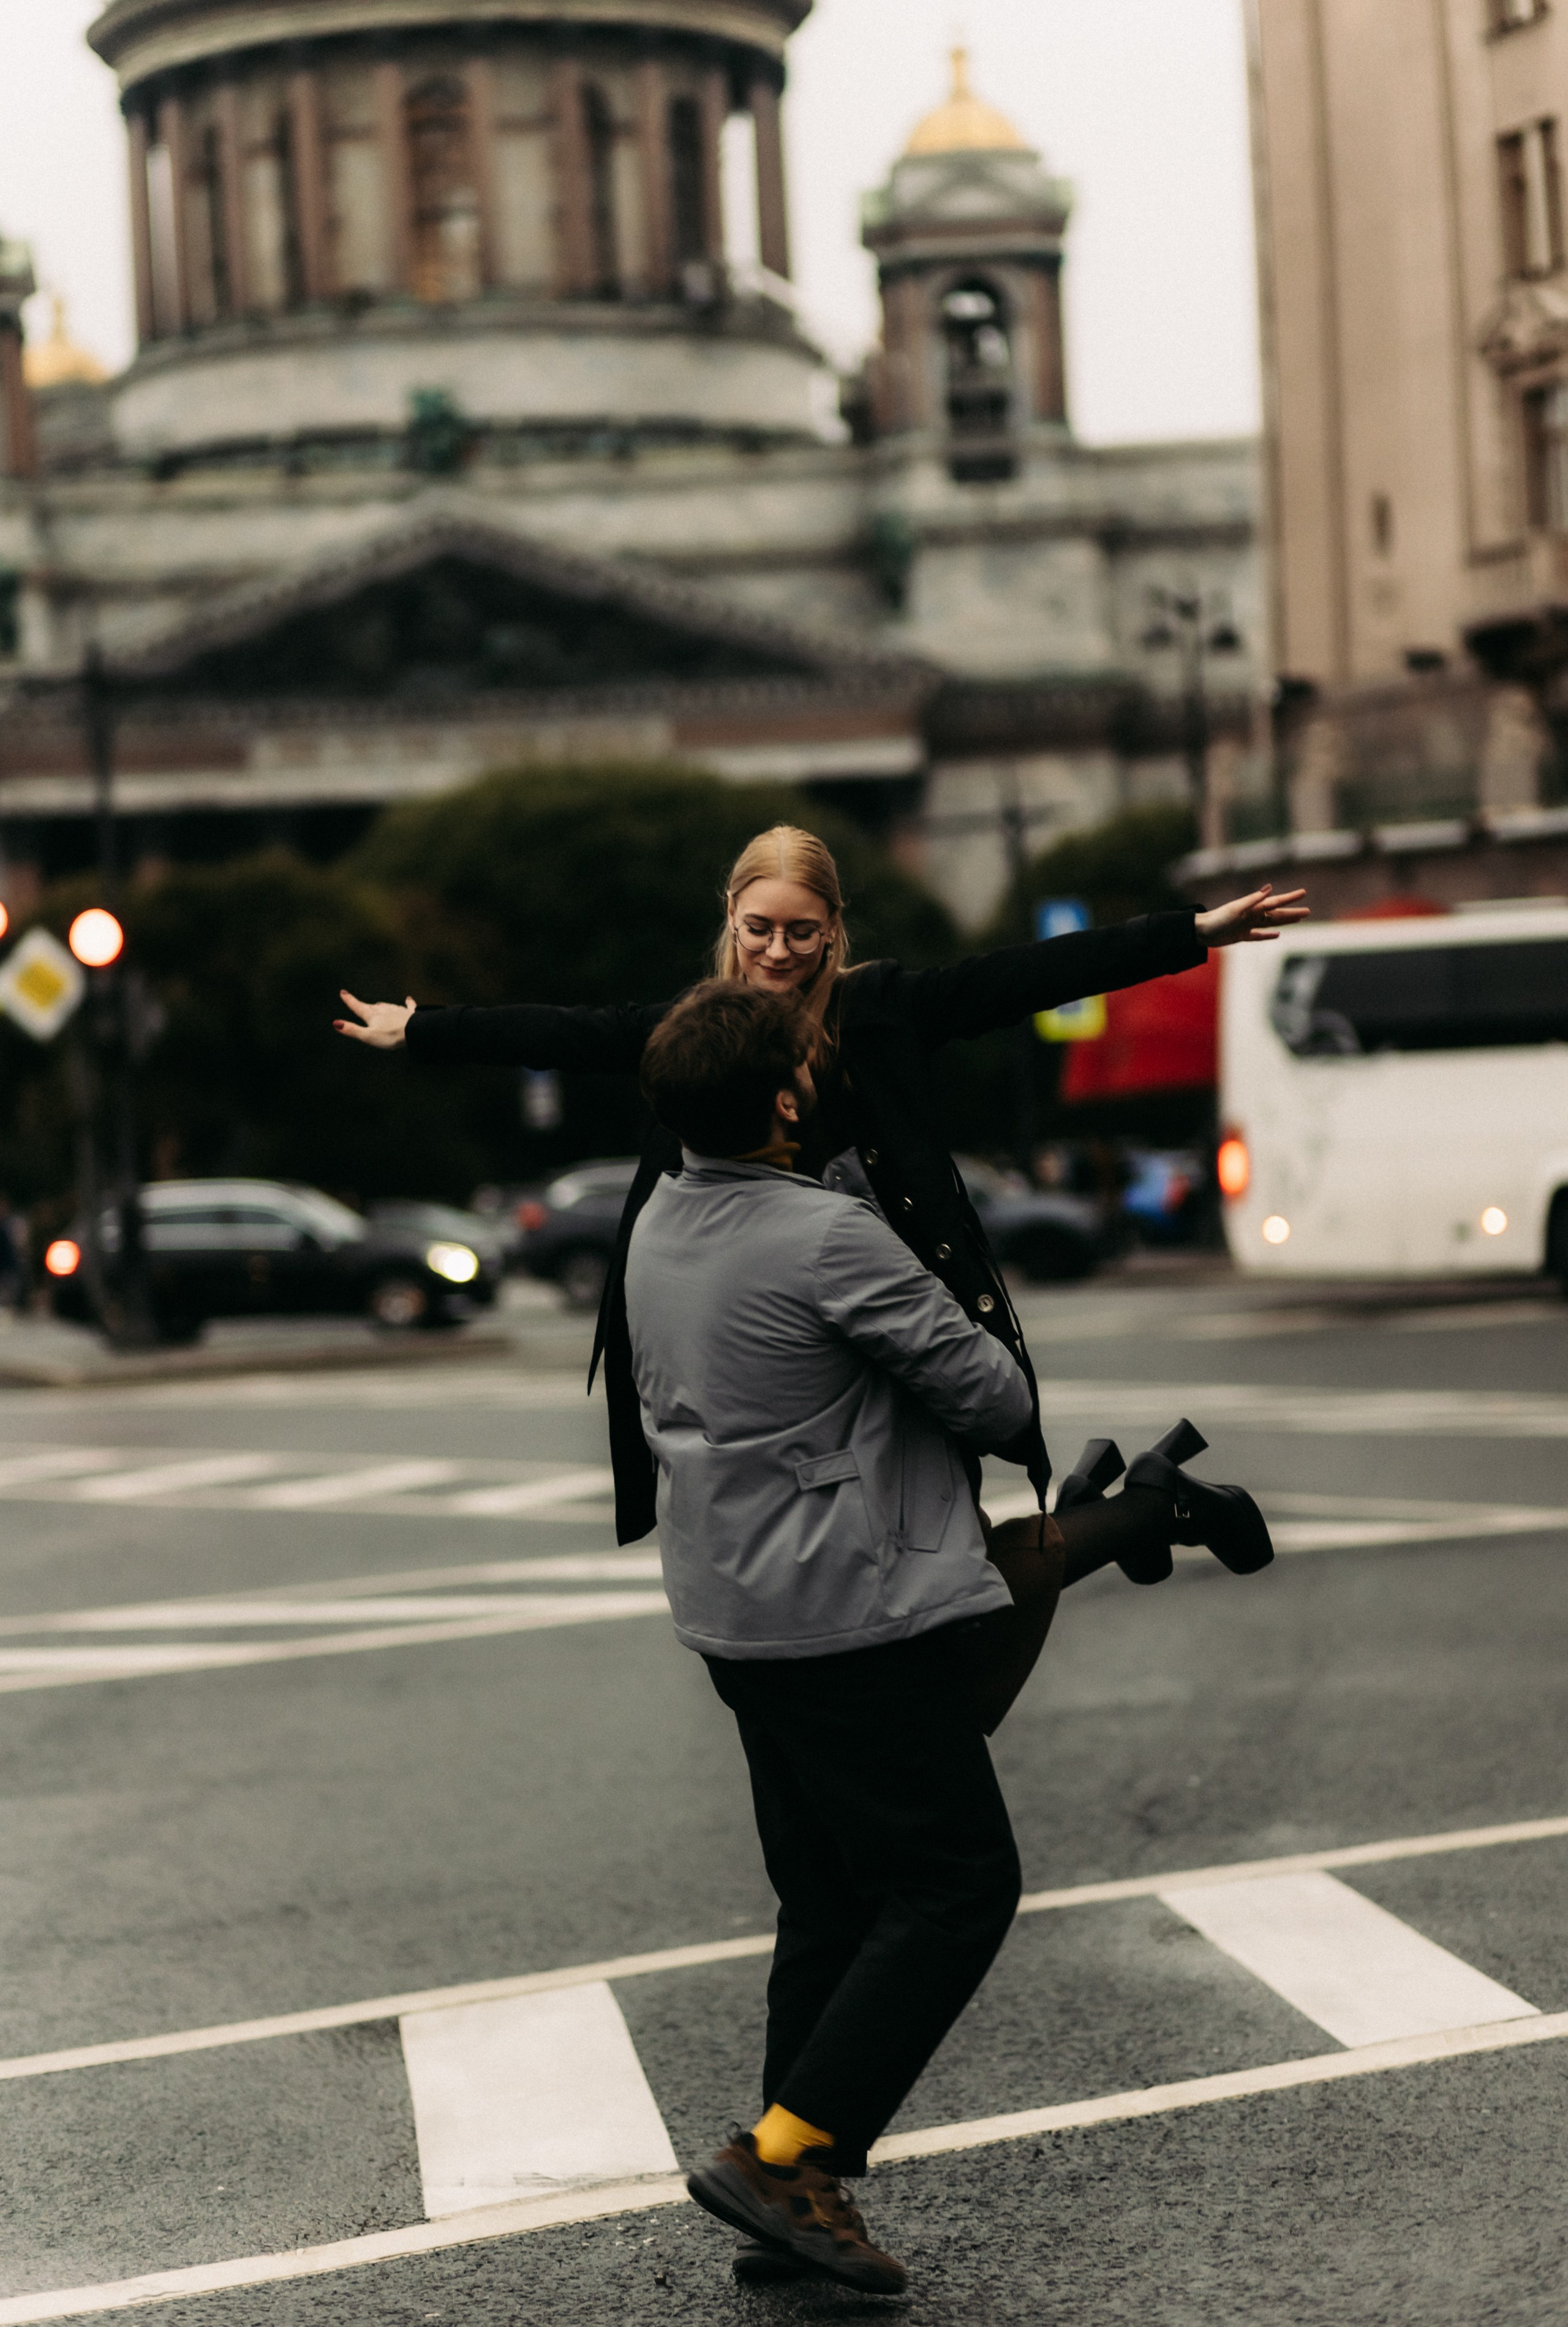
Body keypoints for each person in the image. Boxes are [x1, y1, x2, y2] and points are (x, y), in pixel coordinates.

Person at [622, 980, 1272, 2293]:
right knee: (956, 1882)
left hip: (734, 1613)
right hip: (838, 1612)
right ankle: (780, 2153)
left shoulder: (653, 1223)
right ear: (786, 1100)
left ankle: (791, 2197)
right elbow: (989, 1394)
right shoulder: (821, 1234)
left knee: (828, 1897)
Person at [335, 823, 1308, 1575]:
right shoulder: (697, 1031)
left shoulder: (879, 1011)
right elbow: (562, 1032)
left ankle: (1115, 1518)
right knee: (887, 1569)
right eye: (758, 929)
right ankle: (1111, 1517)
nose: (779, 951)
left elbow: (1027, 976)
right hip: (771, 1330)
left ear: (836, 929)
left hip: (887, 1306)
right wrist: (423, 1032)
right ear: (730, 919)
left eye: (804, 932)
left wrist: (1192, 934)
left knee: (941, 1560)